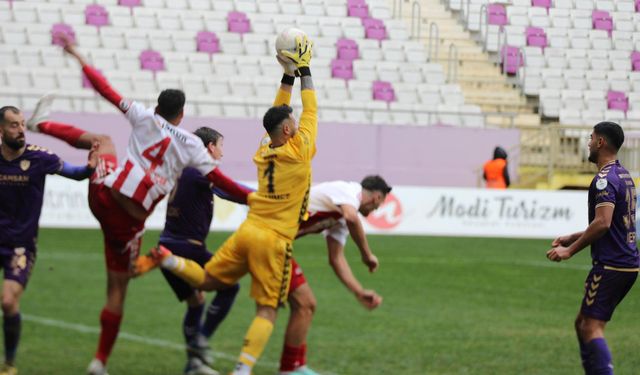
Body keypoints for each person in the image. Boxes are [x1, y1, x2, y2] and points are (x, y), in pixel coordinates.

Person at [56, 35, 250, 375]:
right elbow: (223, 185)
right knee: (128, 288)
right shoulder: (192, 148)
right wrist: (258, 198)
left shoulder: (144, 116)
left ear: (158, 107)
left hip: (105, 195)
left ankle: (38, 126)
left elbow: (106, 90)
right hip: (137, 224)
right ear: (182, 114)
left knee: (102, 144)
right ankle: (189, 344)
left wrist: (79, 56)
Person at [136, 35, 317, 375]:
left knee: (206, 283)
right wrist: (305, 68)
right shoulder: (301, 147)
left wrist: (287, 77)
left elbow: (280, 114)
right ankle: (242, 370)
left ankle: (169, 260)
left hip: (248, 231)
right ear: (291, 129)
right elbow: (311, 108)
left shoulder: (265, 148)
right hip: (275, 239)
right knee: (267, 311)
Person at [0, 105, 98, 375]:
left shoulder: (39, 158)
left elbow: (75, 173)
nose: (21, 130)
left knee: (8, 302)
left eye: (22, 124)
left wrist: (90, 167)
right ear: (1, 130)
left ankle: (8, 364)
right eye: (14, 125)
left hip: (20, 245)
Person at [546, 121, 638, 375]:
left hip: (611, 265)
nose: (588, 142)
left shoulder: (604, 179)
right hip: (626, 263)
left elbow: (603, 223)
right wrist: (572, 236)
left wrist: (570, 249)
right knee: (583, 323)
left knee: (590, 327)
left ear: (601, 142)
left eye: (591, 137)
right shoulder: (623, 175)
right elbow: (613, 223)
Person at [157, 127, 249, 375]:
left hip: (166, 246)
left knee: (195, 301)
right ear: (209, 147)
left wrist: (251, 198)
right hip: (187, 247)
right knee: (230, 286)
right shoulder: (200, 170)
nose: (222, 152)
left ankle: (193, 365)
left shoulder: (189, 169)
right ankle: (202, 338)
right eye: (220, 145)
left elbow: (223, 191)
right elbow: (229, 189)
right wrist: (266, 197)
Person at [278, 176, 389, 375]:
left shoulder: (341, 216)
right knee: (302, 305)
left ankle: (297, 366)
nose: (377, 209)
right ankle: (288, 369)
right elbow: (352, 217)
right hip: (269, 239)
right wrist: (367, 255)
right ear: (377, 197)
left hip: (277, 244)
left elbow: (336, 258)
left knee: (305, 305)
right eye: (380, 203)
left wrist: (358, 291)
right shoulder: (348, 192)